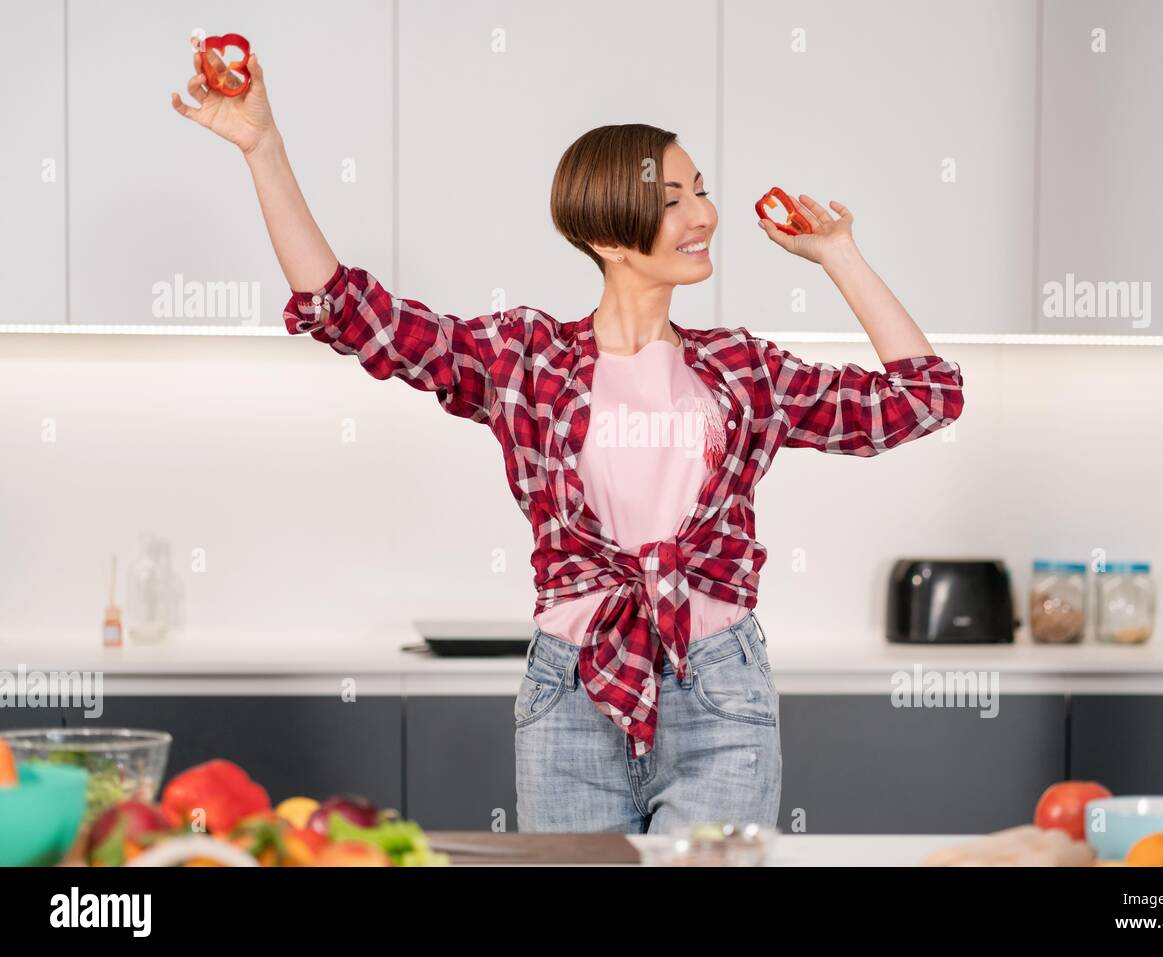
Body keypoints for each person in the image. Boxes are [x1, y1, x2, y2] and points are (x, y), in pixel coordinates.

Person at [172, 51, 965, 834]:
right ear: (609, 235)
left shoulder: (741, 368)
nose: (704, 215)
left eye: (702, 192)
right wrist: (263, 148)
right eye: (674, 199)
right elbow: (348, 312)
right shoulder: (527, 359)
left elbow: (925, 398)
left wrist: (838, 255)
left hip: (720, 691)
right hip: (571, 695)